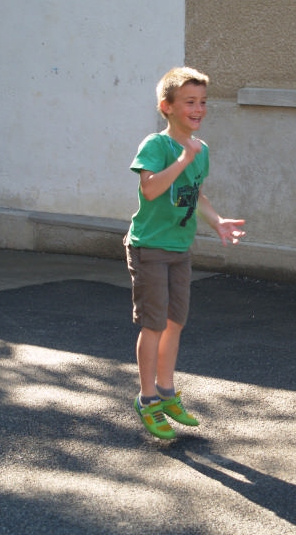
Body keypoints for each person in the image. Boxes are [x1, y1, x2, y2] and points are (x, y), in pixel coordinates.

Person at [124, 67, 246, 439]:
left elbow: (196, 194)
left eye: (203, 102)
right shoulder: (157, 146)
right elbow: (150, 190)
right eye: (190, 102)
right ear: (168, 106)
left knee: (175, 322)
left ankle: (166, 392)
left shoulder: (200, 150)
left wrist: (217, 221)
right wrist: (182, 160)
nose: (198, 109)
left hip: (180, 248)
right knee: (153, 324)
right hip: (149, 247)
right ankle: (147, 399)